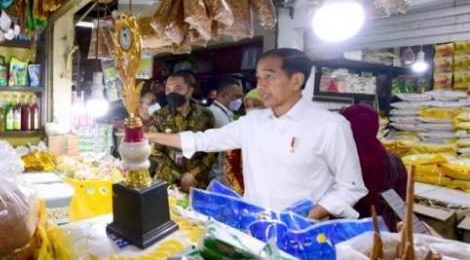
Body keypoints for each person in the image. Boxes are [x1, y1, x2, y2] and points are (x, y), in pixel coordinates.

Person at [147, 48, 367, 219]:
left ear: (296, 80)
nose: (260, 85)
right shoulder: (253, 121)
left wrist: (311, 215)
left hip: (300, 234)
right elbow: (204, 140)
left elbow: (351, 187)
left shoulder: (330, 126)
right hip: (254, 226)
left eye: (269, 76)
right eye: (258, 78)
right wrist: (148, 136)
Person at [341, 104, 407, 231]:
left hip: (345, 236)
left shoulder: (340, 162)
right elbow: (400, 208)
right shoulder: (393, 162)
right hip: (384, 236)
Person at [149, 71, 216, 192]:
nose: (171, 93)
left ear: (189, 91)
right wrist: (178, 176)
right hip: (168, 179)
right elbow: (156, 152)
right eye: (168, 89)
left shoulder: (205, 115)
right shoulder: (159, 116)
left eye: (177, 89)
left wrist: (193, 174)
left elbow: (211, 150)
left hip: (196, 181)